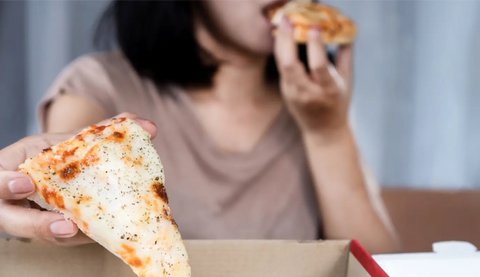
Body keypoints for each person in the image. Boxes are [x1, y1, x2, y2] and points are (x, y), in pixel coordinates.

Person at [0, 0, 400, 254]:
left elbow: (382, 275)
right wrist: (50, 184)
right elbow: (62, 215)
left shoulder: (318, 103)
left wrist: (327, 133)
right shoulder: (97, 85)